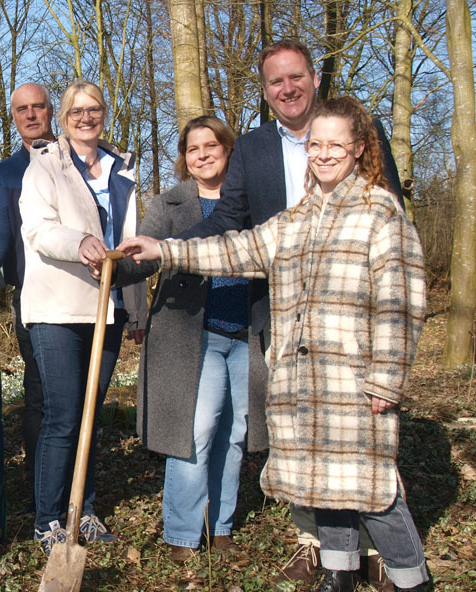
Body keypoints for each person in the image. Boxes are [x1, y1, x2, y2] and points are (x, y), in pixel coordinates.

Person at [117, 96, 430, 592]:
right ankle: (339, 573)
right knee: (322, 484)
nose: (324, 154)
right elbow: (235, 248)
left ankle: (414, 580)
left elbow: (402, 304)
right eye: (316, 145)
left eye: (336, 145)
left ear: (358, 149)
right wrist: (165, 250)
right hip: (301, 379)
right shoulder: (298, 218)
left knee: (374, 491)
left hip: (355, 380)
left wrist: (387, 380)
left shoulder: (381, 214)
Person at [180, 39, 401, 587]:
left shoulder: (362, 134)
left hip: (354, 319)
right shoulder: (252, 149)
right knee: (302, 434)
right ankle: (319, 548)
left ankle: (373, 549)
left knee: (361, 436)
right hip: (283, 315)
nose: (287, 89)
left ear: (313, 79)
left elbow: (393, 217)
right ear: (265, 90)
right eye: (275, 82)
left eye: (295, 77)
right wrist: (165, 248)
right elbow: (230, 224)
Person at [116, 116, 266, 562]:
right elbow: (146, 256)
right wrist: (117, 267)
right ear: (186, 157)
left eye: (211, 145)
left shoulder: (252, 203)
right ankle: (182, 533)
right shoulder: (170, 203)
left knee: (235, 432)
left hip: (246, 331)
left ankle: (219, 527)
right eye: (193, 148)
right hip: (191, 333)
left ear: (228, 150)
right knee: (195, 430)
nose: (202, 154)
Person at [19, 80, 146, 554]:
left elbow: (133, 242)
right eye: (76, 111)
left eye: (94, 109)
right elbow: (40, 230)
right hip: (56, 306)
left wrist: (135, 306)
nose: (86, 117)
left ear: (104, 113)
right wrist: (80, 243)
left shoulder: (122, 170)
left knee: (91, 415)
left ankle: (84, 510)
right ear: (64, 117)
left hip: (105, 308)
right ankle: (49, 519)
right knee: (64, 414)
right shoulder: (45, 167)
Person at [0, 83, 55, 510]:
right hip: (34, 297)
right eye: (21, 109)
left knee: (81, 393)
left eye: (37, 107)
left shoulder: (74, 161)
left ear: (50, 111)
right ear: (13, 117)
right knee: (40, 391)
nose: (30, 115)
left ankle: (82, 483)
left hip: (85, 294)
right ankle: (40, 480)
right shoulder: (6, 175)